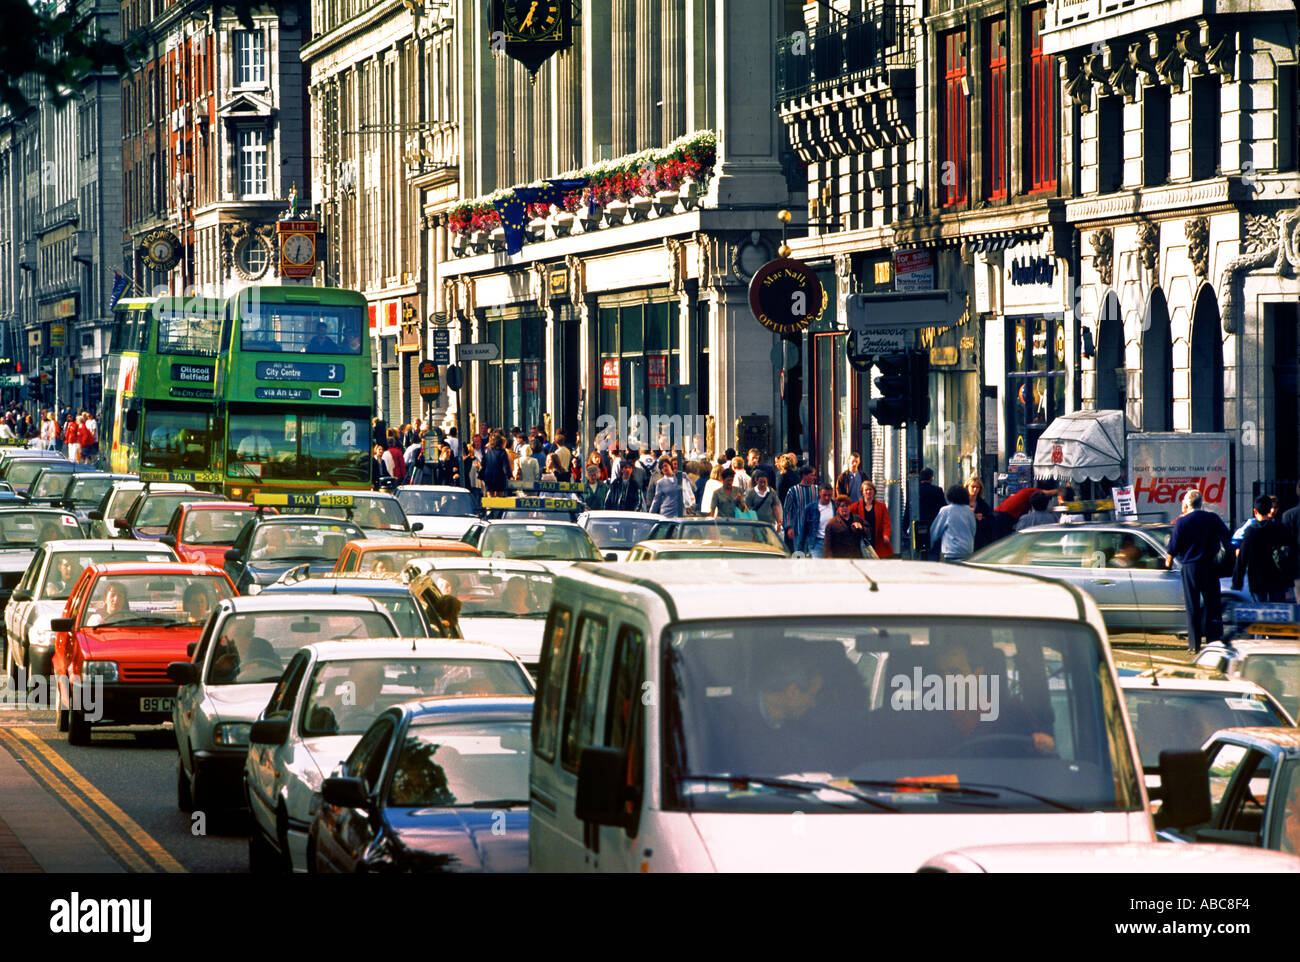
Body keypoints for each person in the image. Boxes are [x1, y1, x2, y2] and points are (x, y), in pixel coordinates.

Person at [1166, 488, 1232, 652]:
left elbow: (1173, 547)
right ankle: (1214, 640)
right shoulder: (1212, 518)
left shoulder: (1182, 522)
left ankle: (1194, 644)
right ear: (1201, 503)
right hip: (1209, 566)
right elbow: (1226, 535)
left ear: (1187, 504)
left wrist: (1167, 562)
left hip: (1190, 567)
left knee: (1192, 606)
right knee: (1212, 605)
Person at [1232, 495, 1299, 603]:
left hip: (1257, 579)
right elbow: (1289, 553)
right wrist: (1289, 581)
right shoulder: (1279, 529)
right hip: (1277, 579)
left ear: (1255, 511)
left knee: (1259, 611)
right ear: (1269, 509)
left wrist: (1237, 582)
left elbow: (1242, 558)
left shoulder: (1251, 531)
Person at [930, 484, 977, 563]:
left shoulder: (946, 510)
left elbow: (936, 530)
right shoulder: (969, 511)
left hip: (951, 550)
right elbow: (973, 530)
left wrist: (930, 544)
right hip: (967, 549)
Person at [848, 480, 891, 558]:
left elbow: (886, 522)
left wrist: (886, 535)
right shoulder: (855, 506)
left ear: (874, 491)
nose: (868, 491)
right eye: (866, 490)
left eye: (870, 489)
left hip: (877, 539)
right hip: (862, 540)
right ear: (862, 492)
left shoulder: (882, 506)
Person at [784, 465, 820, 554]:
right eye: (812, 475)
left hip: (814, 531)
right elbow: (787, 510)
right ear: (804, 476)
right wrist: (789, 527)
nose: (814, 477)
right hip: (798, 530)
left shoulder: (817, 490)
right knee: (799, 556)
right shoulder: (793, 490)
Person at [798, 484, 836, 557]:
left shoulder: (836, 506)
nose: (827, 497)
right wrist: (800, 550)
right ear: (819, 493)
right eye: (824, 495)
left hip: (833, 542)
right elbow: (804, 530)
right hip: (817, 542)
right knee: (818, 566)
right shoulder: (810, 508)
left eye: (829, 495)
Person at [968, 477, 994, 550]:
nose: (975, 489)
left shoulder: (983, 504)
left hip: (978, 538)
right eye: (973, 487)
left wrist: (982, 519)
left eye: (977, 487)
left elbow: (991, 521)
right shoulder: (962, 503)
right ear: (967, 487)